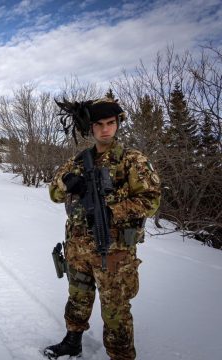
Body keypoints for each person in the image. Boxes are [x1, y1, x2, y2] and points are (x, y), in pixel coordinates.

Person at [44, 97, 161, 359]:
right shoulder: (78, 160)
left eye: (111, 123)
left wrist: (112, 210)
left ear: (118, 124)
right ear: (91, 128)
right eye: (99, 124)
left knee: (115, 309)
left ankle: (121, 356)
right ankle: (72, 341)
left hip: (114, 251)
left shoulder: (132, 160)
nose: (105, 129)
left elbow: (151, 200)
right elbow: (53, 193)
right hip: (78, 248)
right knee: (77, 297)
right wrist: (68, 183)